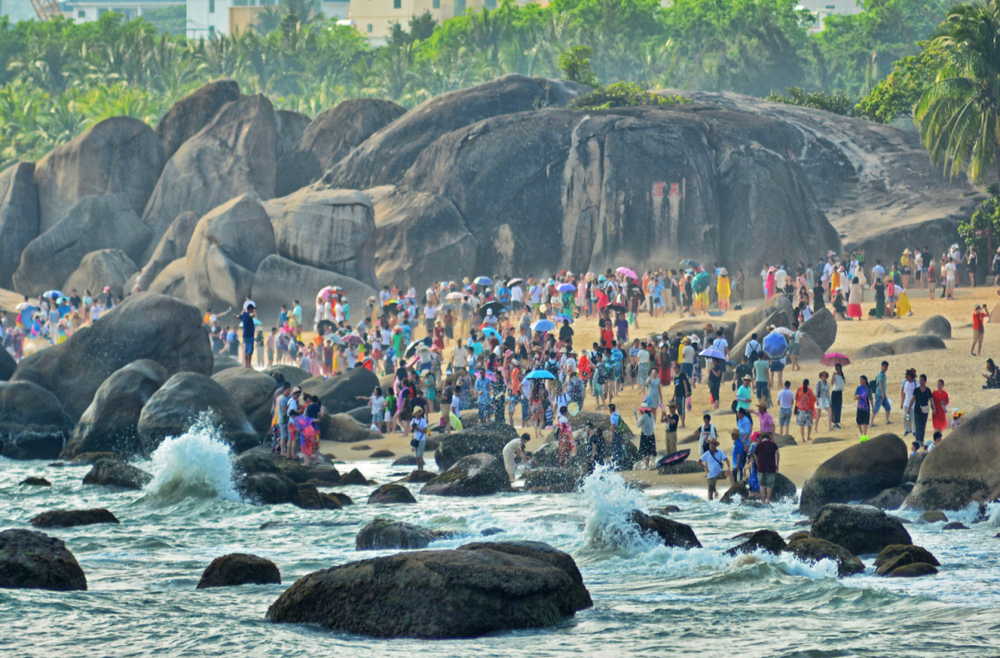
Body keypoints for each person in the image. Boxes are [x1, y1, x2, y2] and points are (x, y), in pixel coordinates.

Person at [754, 433, 780, 505]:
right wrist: (777, 464)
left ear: (762, 438)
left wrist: (757, 464)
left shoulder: (758, 445)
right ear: (769, 438)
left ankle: (763, 501)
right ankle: (768, 500)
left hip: (761, 467)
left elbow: (755, 456)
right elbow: (778, 454)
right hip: (771, 467)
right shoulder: (773, 445)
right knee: (769, 485)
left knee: (761, 484)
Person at [908, 374, 933, 446]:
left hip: (925, 412)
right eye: (920, 380)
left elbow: (931, 400)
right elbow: (912, 400)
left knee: (923, 426)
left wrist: (933, 408)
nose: (920, 381)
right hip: (917, 411)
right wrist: (909, 409)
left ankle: (921, 440)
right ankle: (918, 441)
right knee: (918, 426)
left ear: (925, 381)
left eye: (922, 380)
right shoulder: (916, 390)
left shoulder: (928, 390)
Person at [672, 363, 691, 428]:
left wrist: (686, 392)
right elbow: (675, 387)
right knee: (679, 408)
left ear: (679, 368)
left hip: (682, 394)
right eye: (674, 368)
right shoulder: (675, 377)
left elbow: (685, 383)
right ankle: (682, 422)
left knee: (682, 408)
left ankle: (683, 423)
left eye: (676, 367)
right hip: (677, 394)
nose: (675, 369)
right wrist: (673, 396)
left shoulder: (682, 375)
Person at [411, 406, 428, 471]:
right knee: (417, 456)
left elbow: (425, 431)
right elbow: (410, 430)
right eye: (416, 412)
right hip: (416, 439)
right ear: (414, 414)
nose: (418, 413)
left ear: (421, 413)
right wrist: (413, 427)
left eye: (419, 412)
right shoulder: (413, 420)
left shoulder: (423, 421)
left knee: (420, 456)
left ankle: (421, 469)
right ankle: (418, 469)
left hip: (421, 439)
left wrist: (418, 428)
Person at [901, 368, 917, 435]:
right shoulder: (906, 383)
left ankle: (914, 430)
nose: (906, 377)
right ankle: (908, 429)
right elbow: (904, 393)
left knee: (913, 417)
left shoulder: (916, 383)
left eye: (907, 376)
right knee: (906, 416)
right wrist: (902, 402)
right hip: (906, 403)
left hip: (913, 403)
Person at [831, 363, 845, 429]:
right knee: (834, 408)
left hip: (840, 393)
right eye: (836, 368)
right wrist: (833, 376)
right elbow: (831, 383)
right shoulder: (835, 375)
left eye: (838, 368)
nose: (837, 369)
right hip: (835, 392)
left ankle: (836, 421)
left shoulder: (841, 375)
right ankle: (834, 423)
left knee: (838, 408)